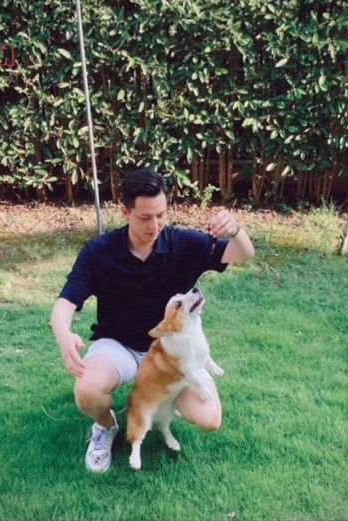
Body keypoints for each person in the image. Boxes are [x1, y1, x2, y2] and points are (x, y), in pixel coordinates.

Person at [50, 168, 255, 472]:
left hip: (172, 353)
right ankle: (105, 426)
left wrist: (236, 230)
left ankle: (164, 400)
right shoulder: (99, 252)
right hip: (119, 345)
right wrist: (63, 332)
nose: (155, 225)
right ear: (125, 211)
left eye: (161, 215)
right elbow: (65, 303)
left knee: (210, 418)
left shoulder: (184, 243)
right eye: (145, 217)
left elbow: (243, 254)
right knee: (88, 391)